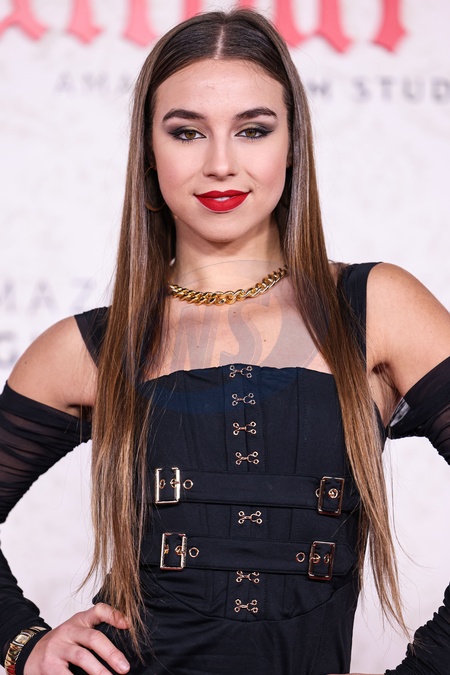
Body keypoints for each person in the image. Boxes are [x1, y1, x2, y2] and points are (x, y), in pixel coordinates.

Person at [0, 8, 449, 675]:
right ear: (149, 152)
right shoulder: (89, 346)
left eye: (253, 130)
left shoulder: (376, 307)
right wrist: (22, 643)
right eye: (186, 132)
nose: (219, 164)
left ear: (292, 143)